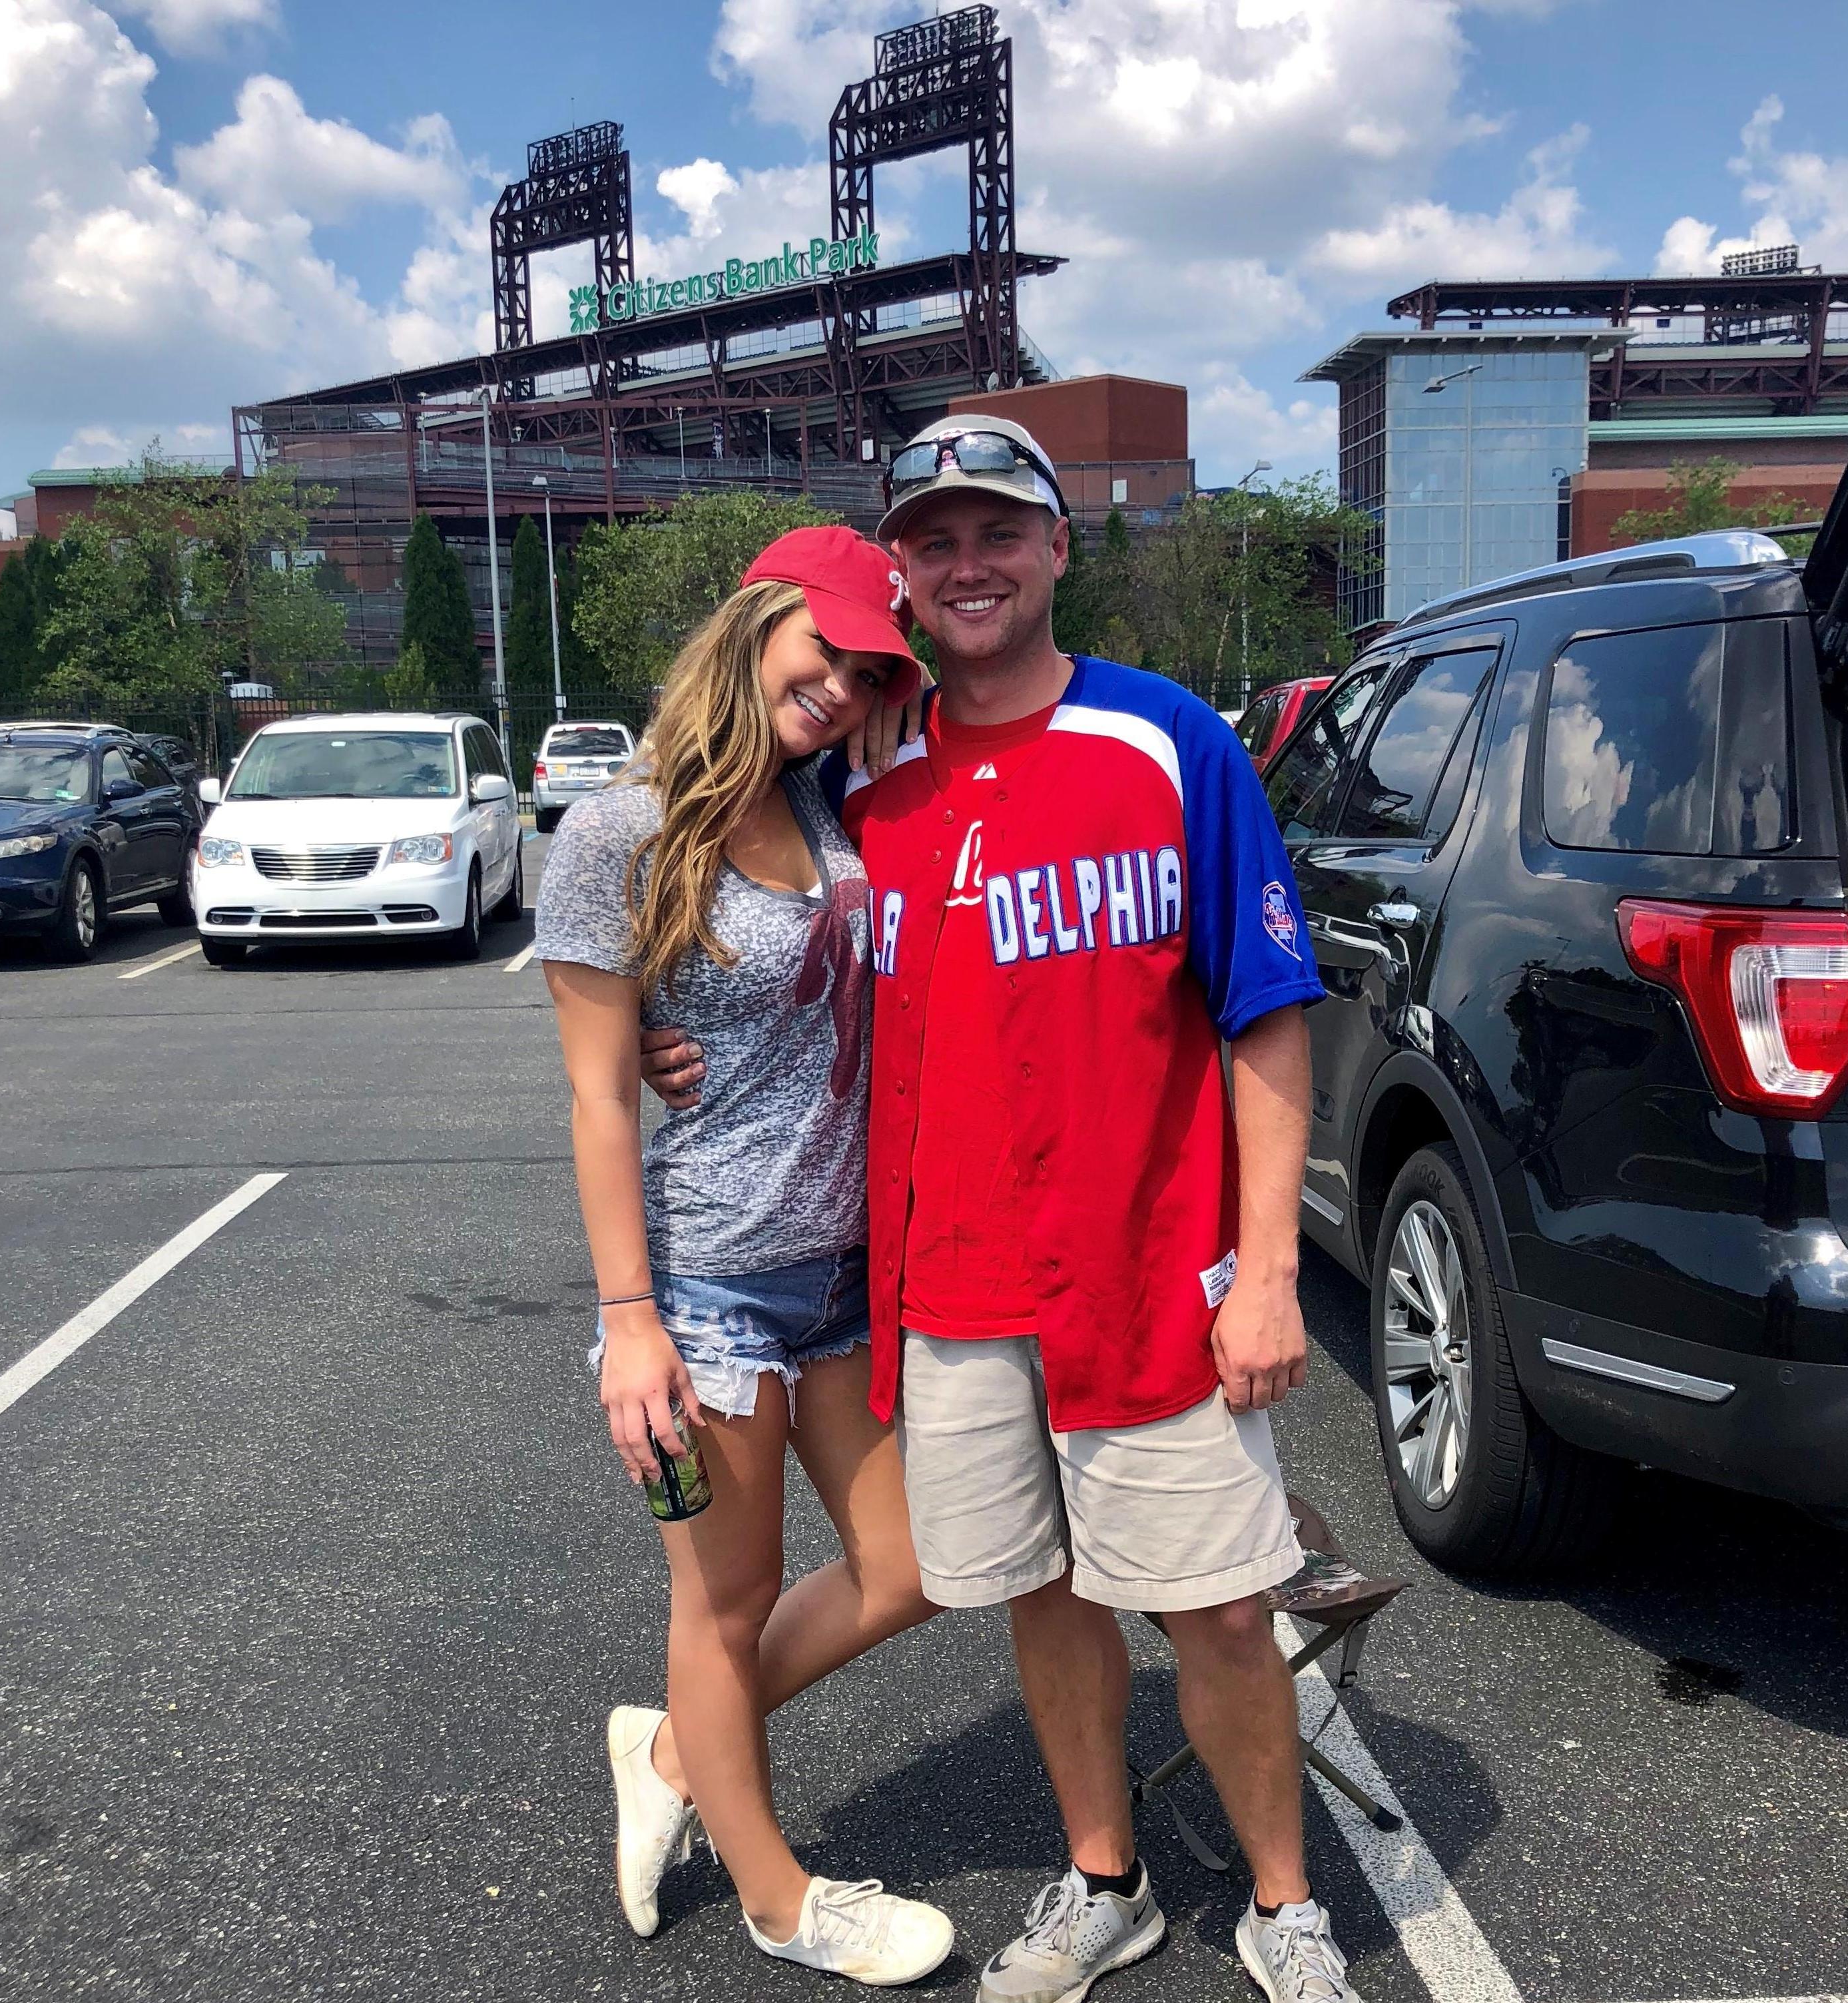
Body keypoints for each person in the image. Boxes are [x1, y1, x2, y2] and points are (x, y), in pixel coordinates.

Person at [644, 416, 1355, 2003]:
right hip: (954, 1279)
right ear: (898, 569)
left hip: (1150, 1273)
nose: (967, 565)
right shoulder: (859, 773)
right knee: (1037, 1594)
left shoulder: (1170, 741)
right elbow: (688, 879)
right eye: (934, 540)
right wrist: (643, 1027)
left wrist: (1268, 1274)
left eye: (998, 533)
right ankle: (1108, 1879)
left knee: (1219, 1611)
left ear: (1055, 549)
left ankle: (1285, 1904)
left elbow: (1266, 1013)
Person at [534, 525, 954, 1987]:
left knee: (908, 1567)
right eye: (822, 648)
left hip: (839, 1272)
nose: (839, 684)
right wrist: (629, 1319)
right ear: (755, 621)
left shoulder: (825, 802)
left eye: (866, 668)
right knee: (723, 1599)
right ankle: (782, 1897)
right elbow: (596, 1092)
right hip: (704, 1285)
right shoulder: (619, 830)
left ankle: (667, 1747)